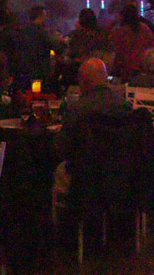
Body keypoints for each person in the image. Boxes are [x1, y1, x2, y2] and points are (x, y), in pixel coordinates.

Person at [53, 59, 133, 190]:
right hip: (120, 175)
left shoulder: (78, 109)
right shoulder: (124, 107)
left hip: (85, 178)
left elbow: (63, 149)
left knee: (59, 171)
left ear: (82, 82)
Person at [16, 5, 60, 89]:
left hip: (24, 69)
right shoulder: (43, 32)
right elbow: (55, 46)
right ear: (40, 17)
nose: (46, 19)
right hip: (40, 70)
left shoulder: (22, 31)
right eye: (45, 16)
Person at [110, 2, 154, 80]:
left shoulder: (120, 32)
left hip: (125, 72)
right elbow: (153, 46)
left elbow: (116, 52)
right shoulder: (145, 29)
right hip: (144, 70)